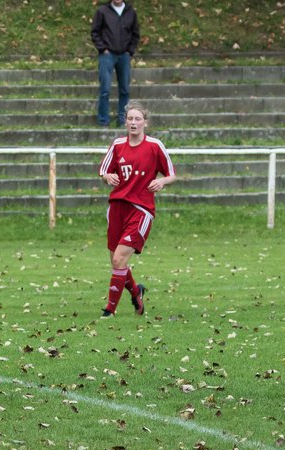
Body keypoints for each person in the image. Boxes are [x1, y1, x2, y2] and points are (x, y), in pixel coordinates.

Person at [97, 101, 175, 318]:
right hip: (117, 208)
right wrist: (107, 177)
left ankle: (109, 310)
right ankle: (136, 292)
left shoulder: (154, 146)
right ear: (125, 122)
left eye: (137, 119)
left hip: (141, 209)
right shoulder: (118, 145)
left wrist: (162, 182)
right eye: (130, 119)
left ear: (145, 122)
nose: (133, 122)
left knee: (119, 259)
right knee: (116, 260)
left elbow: (171, 174)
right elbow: (104, 171)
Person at [91, 0, 140, 128]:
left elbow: (135, 34)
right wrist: (103, 49)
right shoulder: (102, 11)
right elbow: (95, 32)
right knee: (105, 89)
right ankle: (103, 121)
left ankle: (122, 120)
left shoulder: (131, 12)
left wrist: (130, 51)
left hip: (124, 55)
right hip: (107, 55)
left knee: (124, 90)